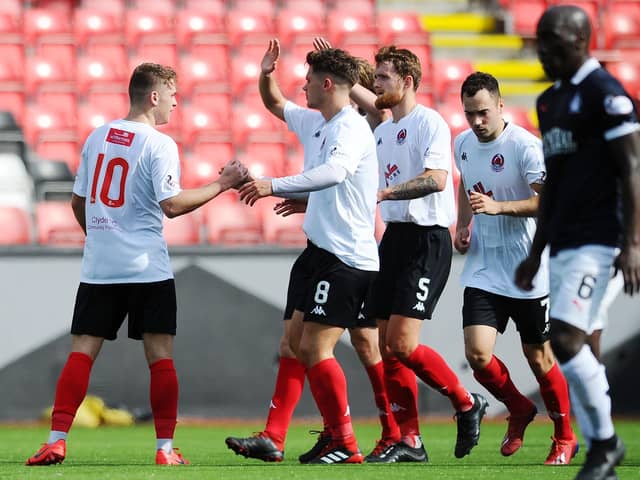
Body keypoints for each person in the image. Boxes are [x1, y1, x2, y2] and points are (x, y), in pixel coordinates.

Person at [25, 63, 247, 467]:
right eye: (173, 93)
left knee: (81, 354)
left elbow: (78, 204)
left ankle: (56, 441)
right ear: (154, 96)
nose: (178, 102)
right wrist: (223, 184)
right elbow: (173, 206)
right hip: (147, 269)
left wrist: (101, 240)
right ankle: (165, 450)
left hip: (101, 268)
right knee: (160, 357)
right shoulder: (159, 144)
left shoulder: (97, 137)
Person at [224, 42, 399, 465]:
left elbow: (336, 172)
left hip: (346, 258)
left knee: (322, 349)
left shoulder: (350, 127)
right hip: (317, 251)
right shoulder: (317, 121)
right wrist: (267, 73)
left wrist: (274, 184)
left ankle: (347, 441)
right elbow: (276, 103)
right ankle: (275, 437)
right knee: (292, 346)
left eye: (307, 80)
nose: (301, 87)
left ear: (327, 84)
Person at [515, 5, 640, 480]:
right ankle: (600, 452)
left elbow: (632, 169)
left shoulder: (607, 96)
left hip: (601, 239)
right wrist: (535, 250)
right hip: (564, 241)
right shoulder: (548, 102)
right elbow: (557, 183)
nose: (543, 50)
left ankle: (604, 444)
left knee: (566, 340)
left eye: (553, 40)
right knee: (569, 347)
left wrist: (632, 243)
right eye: (540, 40)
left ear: (580, 39)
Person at [356, 45, 489, 463]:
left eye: (382, 78)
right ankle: (409, 440)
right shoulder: (380, 131)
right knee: (386, 344)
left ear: (407, 82)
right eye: (375, 78)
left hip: (428, 239)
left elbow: (435, 179)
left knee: (402, 342)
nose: (375, 85)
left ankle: (467, 402)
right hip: (393, 239)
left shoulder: (429, 122)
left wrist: (385, 192)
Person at [453, 71, 577, 464]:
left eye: (483, 113)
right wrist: (463, 223)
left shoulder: (526, 146)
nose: (476, 122)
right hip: (485, 267)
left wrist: (499, 207)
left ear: (501, 105)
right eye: (470, 114)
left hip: (527, 268)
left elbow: (548, 202)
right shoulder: (463, 143)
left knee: (538, 357)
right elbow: (465, 182)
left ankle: (564, 435)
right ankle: (519, 408)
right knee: (477, 354)